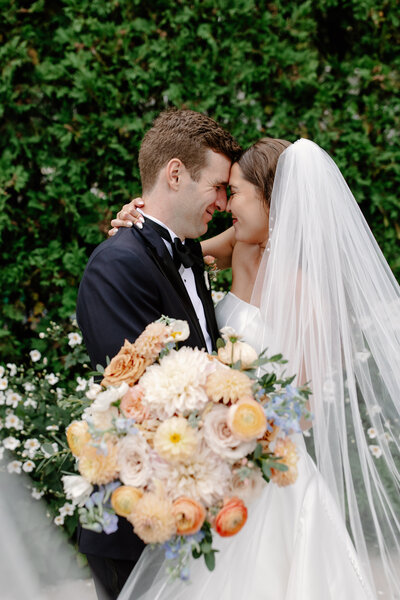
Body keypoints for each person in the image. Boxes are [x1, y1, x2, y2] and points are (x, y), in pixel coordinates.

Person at [111, 137, 400, 599]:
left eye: (238, 192)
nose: (227, 206)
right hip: (219, 460)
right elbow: (172, 257)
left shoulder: (309, 293)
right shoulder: (243, 246)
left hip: (267, 472)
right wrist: (137, 222)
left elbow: (299, 409)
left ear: (272, 199)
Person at [76, 108, 242, 600]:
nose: (222, 202)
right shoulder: (118, 265)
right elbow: (145, 397)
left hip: (189, 512)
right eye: (216, 186)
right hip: (138, 525)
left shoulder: (184, 251)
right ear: (175, 173)